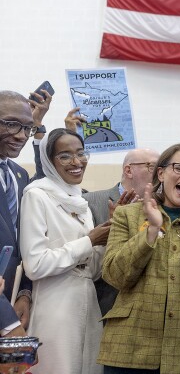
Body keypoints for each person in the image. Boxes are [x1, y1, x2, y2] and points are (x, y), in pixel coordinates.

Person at [98, 142, 180, 374]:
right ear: (161, 173)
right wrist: (150, 231)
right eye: (179, 168)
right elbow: (115, 276)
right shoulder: (128, 214)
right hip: (129, 349)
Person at [20, 128, 110, 374]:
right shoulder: (37, 196)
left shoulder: (81, 201)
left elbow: (91, 271)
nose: (76, 162)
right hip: (55, 305)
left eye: (81, 153)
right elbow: (35, 265)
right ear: (49, 161)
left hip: (87, 301)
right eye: (65, 156)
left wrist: (109, 237)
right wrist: (89, 241)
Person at [82, 148, 160, 317]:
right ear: (128, 170)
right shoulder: (91, 202)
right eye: (152, 166)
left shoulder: (161, 209)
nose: (159, 173)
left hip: (147, 311)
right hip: (102, 307)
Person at [0, 90, 51, 337]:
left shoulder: (18, 174)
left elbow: (44, 181)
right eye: (11, 124)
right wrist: (7, 322)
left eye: (27, 128)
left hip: (11, 295)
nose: (21, 136)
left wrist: (24, 291)